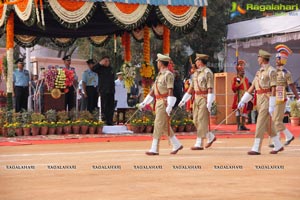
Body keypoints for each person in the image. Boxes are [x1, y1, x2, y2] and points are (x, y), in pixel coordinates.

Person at [238, 49, 284, 155]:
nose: (258, 59)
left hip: (267, 99)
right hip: (259, 99)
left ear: (262, 58)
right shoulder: (259, 72)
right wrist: (243, 100)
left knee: (260, 122)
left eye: (258, 57)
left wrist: (272, 104)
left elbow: (273, 87)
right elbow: (253, 87)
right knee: (268, 125)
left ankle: (256, 147)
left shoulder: (271, 71)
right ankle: (278, 144)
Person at [138, 53, 183, 156]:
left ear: (161, 63)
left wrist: (170, 106)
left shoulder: (168, 74)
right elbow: (153, 91)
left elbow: (170, 90)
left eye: (158, 62)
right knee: (164, 126)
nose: (157, 64)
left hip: (164, 102)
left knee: (158, 124)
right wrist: (144, 103)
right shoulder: (159, 75)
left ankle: (154, 148)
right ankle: (176, 144)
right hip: (158, 102)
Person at [178, 53, 216, 151]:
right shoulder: (196, 73)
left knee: (201, 120)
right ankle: (210, 136)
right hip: (196, 98)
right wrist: (184, 99)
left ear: (200, 61)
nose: (195, 62)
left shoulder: (208, 72)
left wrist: (209, 102)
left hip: (204, 97)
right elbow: (191, 88)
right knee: (195, 120)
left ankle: (199, 143)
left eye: (197, 60)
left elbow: (210, 88)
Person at [269, 44, 300, 147]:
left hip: (281, 95)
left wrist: (297, 97)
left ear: (282, 60)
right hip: (273, 96)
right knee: (275, 119)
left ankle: (281, 139)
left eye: (278, 58)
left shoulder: (286, 72)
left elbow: (291, 85)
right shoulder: (273, 71)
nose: (276, 60)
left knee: (276, 119)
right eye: (276, 58)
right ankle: (284, 137)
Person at [92, 56, 115, 125]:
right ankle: (104, 120)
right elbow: (93, 69)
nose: (107, 62)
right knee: (104, 106)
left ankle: (110, 120)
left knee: (111, 106)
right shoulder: (100, 68)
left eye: (108, 61)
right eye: (105, 61)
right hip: (104, 90)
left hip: (111, 90)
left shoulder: (111, 68)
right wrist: (100, 63)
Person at [231, 60, 250, 131]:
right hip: (239, 95)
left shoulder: (246, 79)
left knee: (244, 112)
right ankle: (238, 125)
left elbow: (248, 88)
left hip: (245, 96)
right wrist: (237, 83)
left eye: (243, 71)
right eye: (241, 71)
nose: (243, 72)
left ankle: (243, 125)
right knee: (238, 111)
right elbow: (234, 88)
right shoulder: (237, 78)